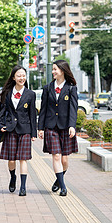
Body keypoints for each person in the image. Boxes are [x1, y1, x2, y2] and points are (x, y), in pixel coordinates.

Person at [38, 60, 78, 196]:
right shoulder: (47, 88)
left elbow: (73, 109)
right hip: (51, 127)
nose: (53, 71)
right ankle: (63, 187)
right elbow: (43, 109)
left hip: (66, 127)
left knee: (64, 159)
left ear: (62, 70)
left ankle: (58, 181)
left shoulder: (71, 88)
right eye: (53, 69)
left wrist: (72, 126)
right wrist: (40, 128)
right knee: (56, 156)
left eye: (55, 69)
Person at [0, 65, 37, 196]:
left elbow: (32, 114)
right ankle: (13, 177)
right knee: (12, 159)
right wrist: (0, 125)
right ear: (13, 77)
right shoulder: (7, 93)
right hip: (10, 129)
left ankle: (23, 186)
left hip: (25, 129)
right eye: (19, 75)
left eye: (23, 75)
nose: (22, 78)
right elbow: (2, 112)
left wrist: (33, 133)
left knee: (23, 159)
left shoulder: (31, 94)